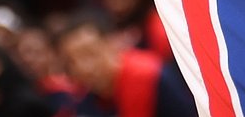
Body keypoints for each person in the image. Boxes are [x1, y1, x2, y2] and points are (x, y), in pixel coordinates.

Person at [55, 16, 194, 117]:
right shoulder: (79, 102)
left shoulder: (154, 76)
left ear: (112, 44)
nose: (83, 68)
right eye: (72, 61)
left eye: (89, 54)